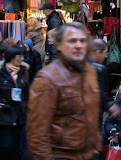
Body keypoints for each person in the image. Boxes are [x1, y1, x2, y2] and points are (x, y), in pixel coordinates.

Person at [27, 22, 101, 159]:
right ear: (59, 45)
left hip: (88, 154)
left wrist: (96, 145)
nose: (78, 45)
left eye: (82, 41)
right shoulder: (47, 78)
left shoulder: (90, 71)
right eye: (72, 41)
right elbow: (37, 134)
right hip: (62, 155)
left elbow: (91, 112)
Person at [0, 46, 30, 160]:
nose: (22, 59)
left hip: (20, 116)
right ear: (11, 58)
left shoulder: (24, 73)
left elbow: (27, 93)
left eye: (22, 56)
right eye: (19, 56)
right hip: (5, 115)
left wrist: (26, 106)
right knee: (5, 147)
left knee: (18, 148)